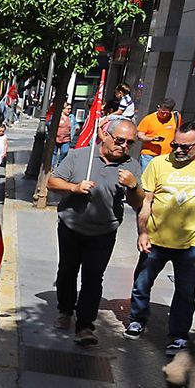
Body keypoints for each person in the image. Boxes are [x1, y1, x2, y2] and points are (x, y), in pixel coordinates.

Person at [124, 123, 195, 355]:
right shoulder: (159, 163)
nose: (178, 150)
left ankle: (179, 336)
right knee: (142, 284)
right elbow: (146, 202)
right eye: (175, 145)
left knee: (186, 291)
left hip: (192, 244)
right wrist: (142, 232)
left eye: (185, 146)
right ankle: (137, 320)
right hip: (155, 238)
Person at [47, 119, 143, 346]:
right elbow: (52, 182)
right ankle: (65, 310)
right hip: (71, 225)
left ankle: (85, 325)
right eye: (120, 140)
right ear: (106, 136)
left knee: (93, 277)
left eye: (130, 143)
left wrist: (133, 186)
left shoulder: (131, 165)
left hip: (104, 231)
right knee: (67, 270)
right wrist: (74, 187)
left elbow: (138, 202)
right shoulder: (80, 156)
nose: (124, 146)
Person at [135, 97, 180, 170]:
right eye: (162, 112)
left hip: (166, 156)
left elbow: (179, 132)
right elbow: (140, 136)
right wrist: (151, 139)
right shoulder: (148, 119)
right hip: (149, 155)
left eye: (167, 113)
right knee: (146, 175)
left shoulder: (176, 117)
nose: (164, 115)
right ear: (158, 108)